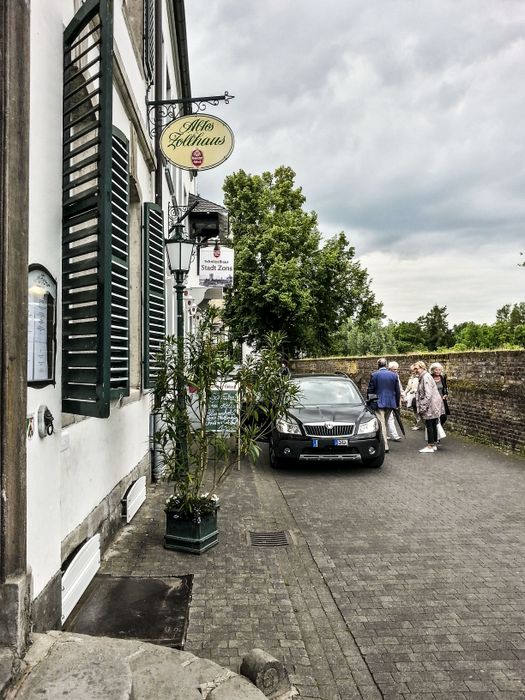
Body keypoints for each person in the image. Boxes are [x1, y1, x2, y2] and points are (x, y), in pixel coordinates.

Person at [367, 358, 400, 453]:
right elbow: (397, 390)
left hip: (379, 402)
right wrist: (397, 403)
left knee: (382, 424)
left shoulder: (374, 374)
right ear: (386, 364)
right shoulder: (394, 375)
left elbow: (371, 390)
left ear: (378, 364)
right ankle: (384, 443)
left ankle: (385, 446)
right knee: (384, 423)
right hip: (390, 403)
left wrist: (370, 403)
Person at [413, 360, 444, 453]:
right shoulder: (425, 376)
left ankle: (430, 446)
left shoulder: (425, 377)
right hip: (433, 404)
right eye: (414, 369)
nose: (415, 370)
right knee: (433, 424)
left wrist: (422, 407)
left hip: (430, 405)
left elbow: (428, 394)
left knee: (430, 424)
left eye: (416, 368)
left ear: (422, 368)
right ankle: (433, 444)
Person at [386, 361, 404, 441]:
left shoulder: (396, 376)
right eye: (394, 369)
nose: (396, 371)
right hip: (388, 400)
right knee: (389, 418)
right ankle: (394, 435)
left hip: (394, 399)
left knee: (389, 418)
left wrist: (402, 394)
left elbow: (399, 387)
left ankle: (387, 434)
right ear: (389, 369)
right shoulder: (386, 376)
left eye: (397, 369)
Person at [429, 362, 450, 426]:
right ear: (432, 370)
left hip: (441, 399)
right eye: (436, 370)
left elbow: (445, 387)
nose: (438, 371)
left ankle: (439, 427)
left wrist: (446, 394)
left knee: (444, 417)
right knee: (435, 416)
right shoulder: (430, 377)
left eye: (439, 370)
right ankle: (435, 429)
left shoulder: (442, 377)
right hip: (433, 400)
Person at [404, 364, 422, 430]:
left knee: (418, 411)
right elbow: (408, 387)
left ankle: (418, 425)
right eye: (411, 370)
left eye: (413, 370)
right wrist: (404, 393)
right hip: (412, 397)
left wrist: (414, 390)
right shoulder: (412, 377)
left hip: (418, 396)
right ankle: (418, 423)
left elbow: (421, 387)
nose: (412, 371)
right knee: (415, 410)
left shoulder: (420, 377)